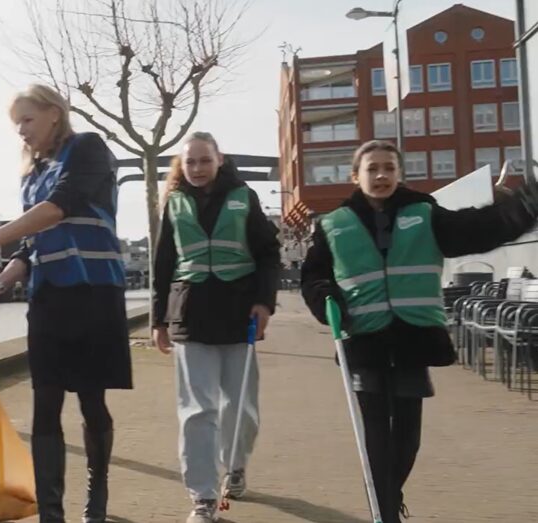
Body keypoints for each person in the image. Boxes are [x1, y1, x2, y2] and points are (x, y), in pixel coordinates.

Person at [300, 140, 538, 523]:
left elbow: (478, 229)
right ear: (355, 176)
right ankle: (385, 513)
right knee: (375, 437)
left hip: (413, 339)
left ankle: (389, 497)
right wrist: (325, 297)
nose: (380, 175)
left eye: (388, 168)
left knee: (408, 438)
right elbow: (313, 274)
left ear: (398, 173)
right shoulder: (333, 224)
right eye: (372, 168)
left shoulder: (425, 212)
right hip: (364, 340)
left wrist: (526, 203)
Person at [0, 84, 132, 523]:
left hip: (94, 296)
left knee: (91, 401)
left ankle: (97, 498)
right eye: (17, 125)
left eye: (28, 120)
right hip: (49, 300)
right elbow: (31, 247)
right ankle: (51, 513)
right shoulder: (32, 175)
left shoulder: (88, 150)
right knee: (44, 403)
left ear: (54, 114)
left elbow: (60, 208)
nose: (22, 132)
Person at [151, 132, 281, 523]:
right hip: (190, 315)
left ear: (219, 160)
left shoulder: (245, 198)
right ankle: (204, 498)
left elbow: (268, 253)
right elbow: (163, 264)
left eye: (204, 161)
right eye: (190, 162)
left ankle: (236, 465)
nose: (197, 169)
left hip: (239, 313)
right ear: (182, 164)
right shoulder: (173, 204)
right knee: (197, 411)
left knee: (241, 408)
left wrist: (264, 303)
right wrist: (159, 320)